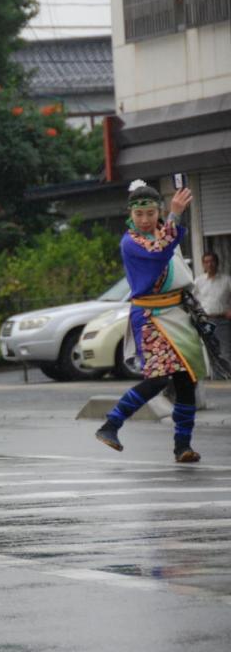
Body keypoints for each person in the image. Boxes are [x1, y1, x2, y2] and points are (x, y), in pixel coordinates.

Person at [96, 182, 205, 462]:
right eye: (139, 215)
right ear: (131, 215)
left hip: (177, 314)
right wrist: (175, 216)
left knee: (186, 380)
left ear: (158, 212)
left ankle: (183, 445)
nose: (144, 220)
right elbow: (159, 252)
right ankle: (112, 423)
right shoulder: (131, 243)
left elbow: (168, 248)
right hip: (150, 317)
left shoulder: (163, 232)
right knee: (158, 378)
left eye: (150, 214)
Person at [194, 251, 231, 378]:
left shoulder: (226, 280)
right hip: (205, 322)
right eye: (206, 262)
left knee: (225, 351)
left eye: (212, 261)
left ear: (217, 263)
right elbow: (193, 301)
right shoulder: (198, 281)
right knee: (210, 351)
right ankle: (216, 378)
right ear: (203, 264)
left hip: (222, 321)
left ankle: (227, 377)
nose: (209, 264)